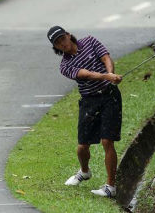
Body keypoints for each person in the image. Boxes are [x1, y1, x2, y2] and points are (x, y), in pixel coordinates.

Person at [47, 25, 123, 198]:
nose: (62, 44)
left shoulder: (90, 41)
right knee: (82, 147)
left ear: (68, 35)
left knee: (107, 141)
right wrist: (107, 77)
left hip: (110, 96)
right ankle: (85, 171)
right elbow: (86, 74)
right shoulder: (65, 66)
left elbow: (106, 57)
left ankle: (110, 187)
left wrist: (111, 73)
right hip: (89, 102)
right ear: (56, 47)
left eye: (62, 38)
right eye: (58, 43)